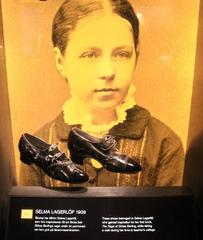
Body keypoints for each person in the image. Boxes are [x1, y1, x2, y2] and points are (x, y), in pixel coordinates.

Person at [19, 0, 184, 187]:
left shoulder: (163, 144)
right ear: (60, 61)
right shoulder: (39, 145)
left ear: (136, 54)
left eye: (122, 54)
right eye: (90, 55)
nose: (108, 71)